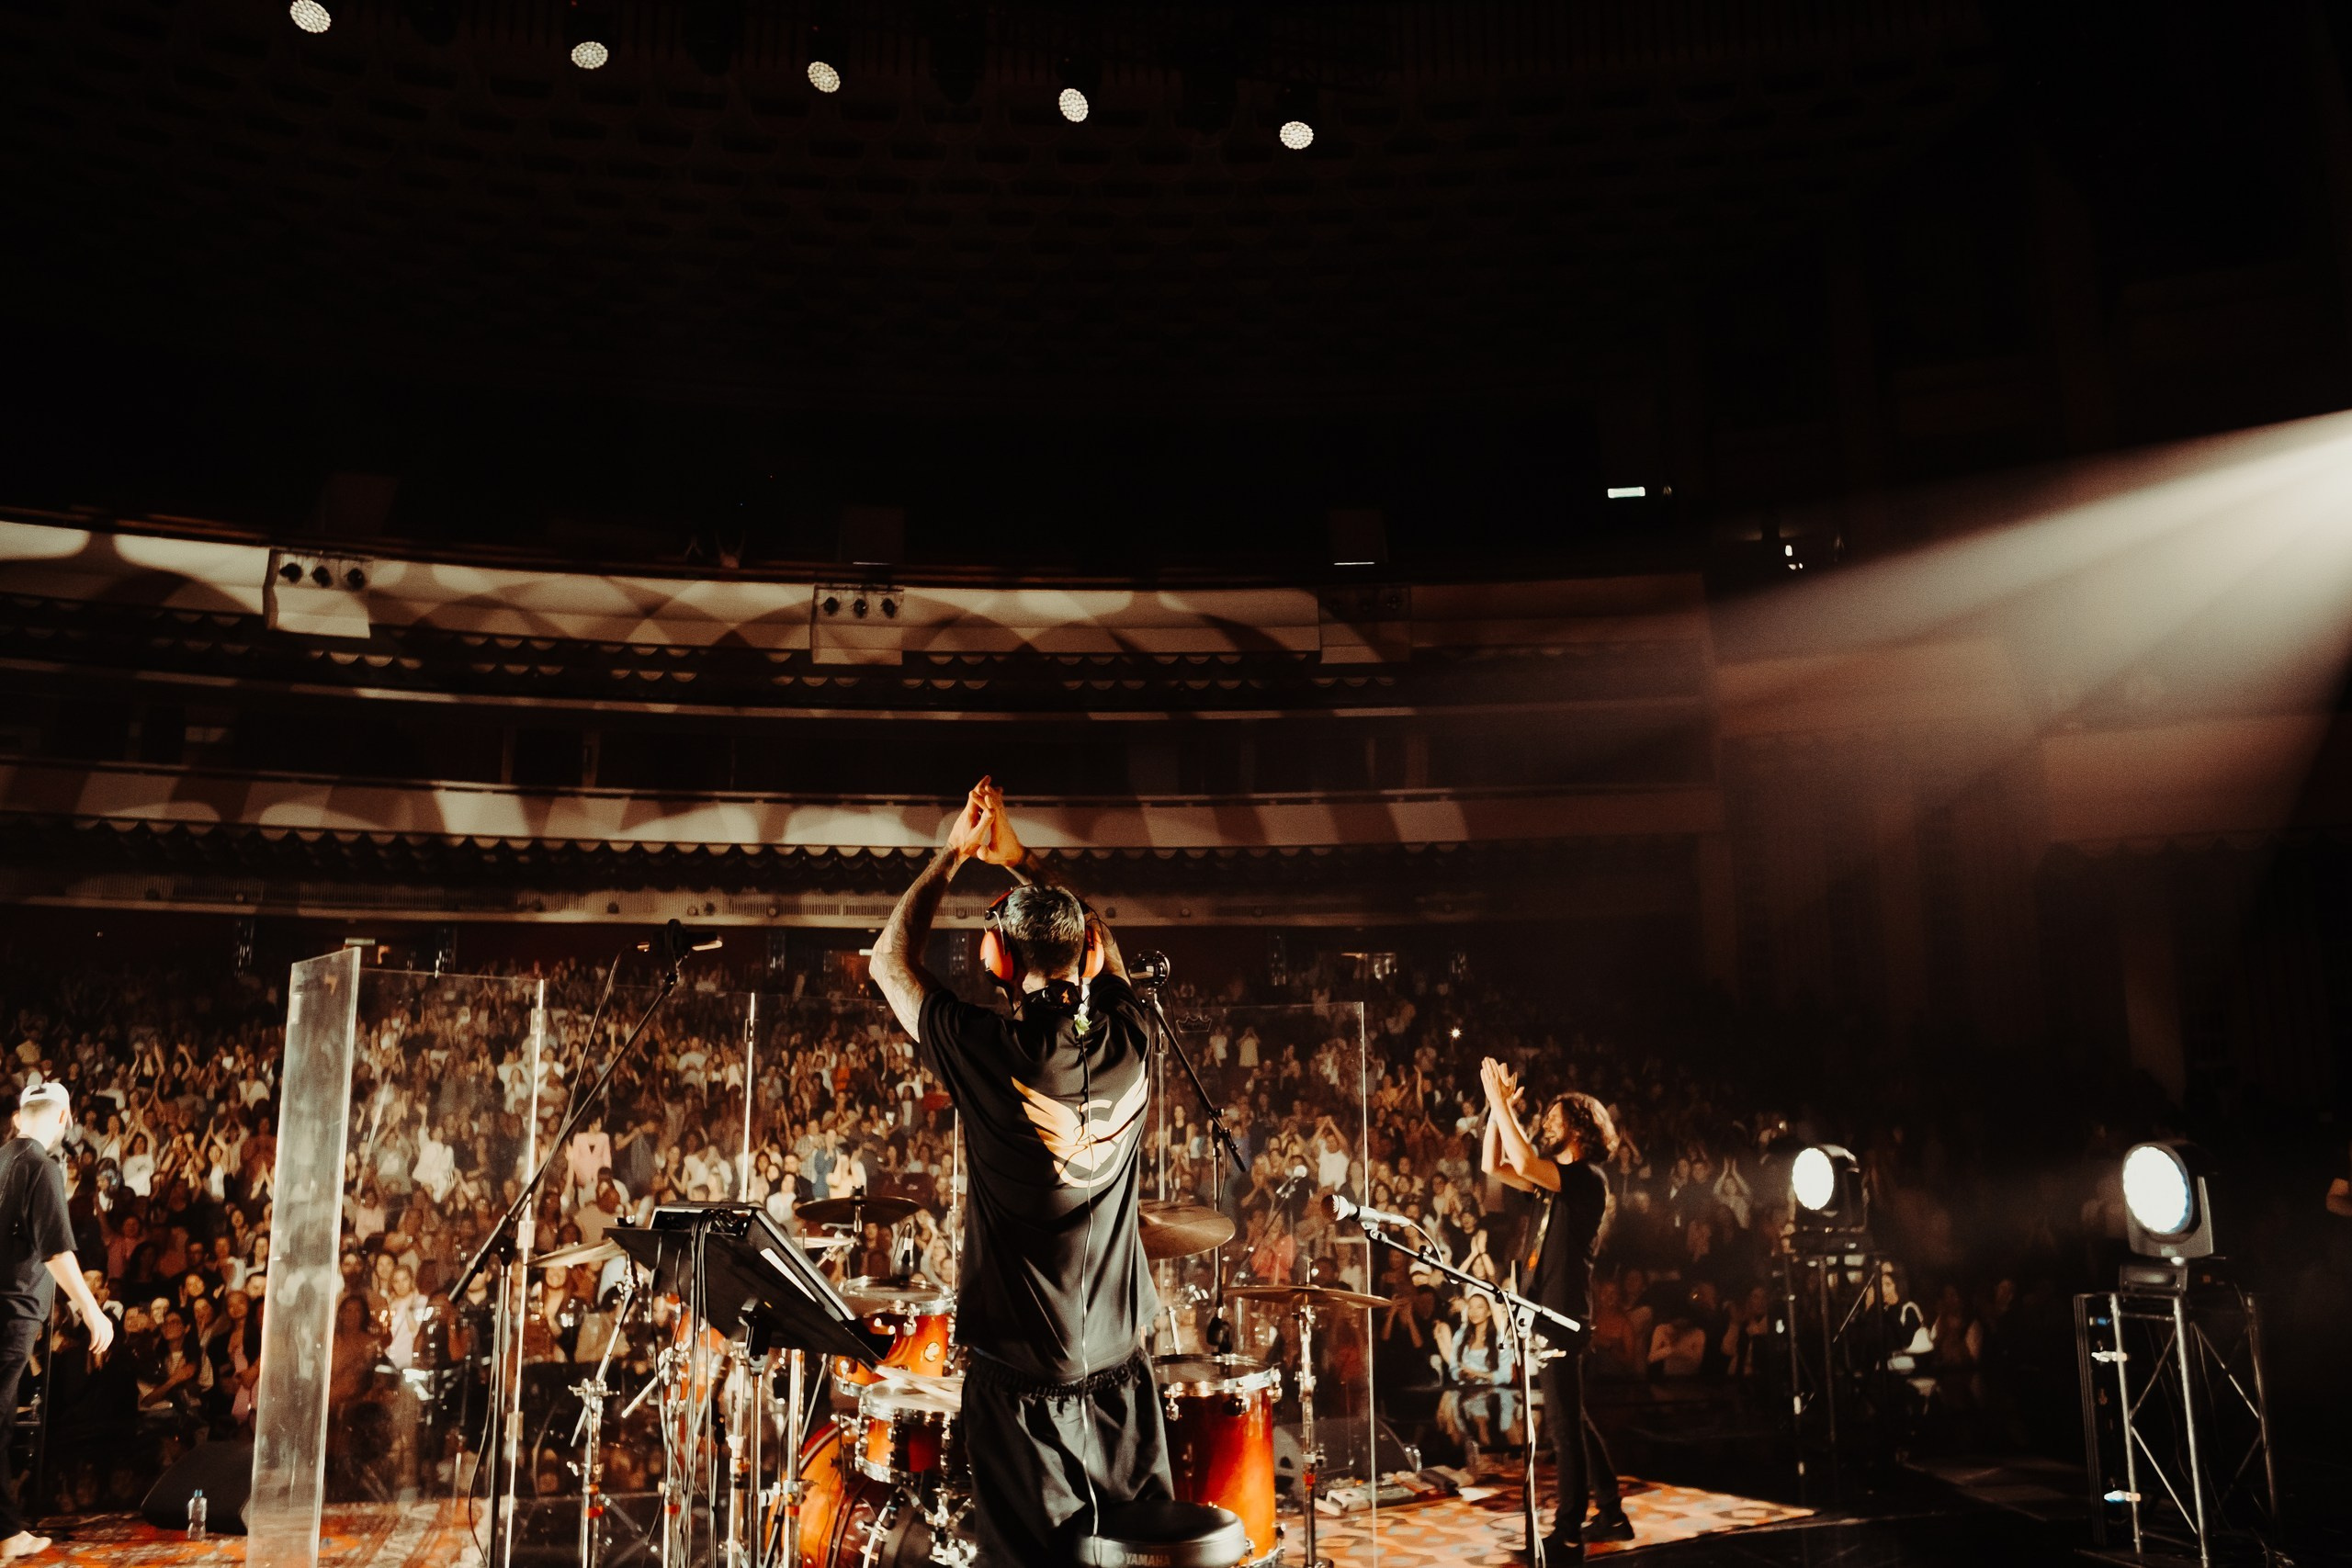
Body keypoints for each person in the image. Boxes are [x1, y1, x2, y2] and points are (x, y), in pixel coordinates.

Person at [869, 777, 1170, 1568]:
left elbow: (887, 961)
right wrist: (1021, 857)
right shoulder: (1134, 1035)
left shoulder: (987, 1052)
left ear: (994, 958)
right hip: (1124, 1381)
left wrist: (952, 858)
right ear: (1094, 956)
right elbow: (1098, 938)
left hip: (1022, 1396)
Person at [1480, 1061, 1631, 1560]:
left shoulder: (1587, 1180)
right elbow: (1495, 1166)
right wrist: (1493, 1109)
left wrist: (1505, 1103)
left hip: (1563, 1317)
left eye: (1555, 1117)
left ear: (1582, 1128)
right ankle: (1611, 1510)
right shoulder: (1554, 1181)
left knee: (1565, 1430)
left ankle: (1568, 1533)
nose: (1545, 1122)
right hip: (1544, 1312)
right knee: (1573, 1419)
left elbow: (1522, 1162)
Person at [0, 1083, 115, 1558]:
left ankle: (7, 1530)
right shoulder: (40, 1167)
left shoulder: (2, 1159)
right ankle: (7, 1534)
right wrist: (90, 1309)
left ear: (17, 1116)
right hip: (11, 1311)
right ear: (66, 1117)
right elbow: (55, 1250)